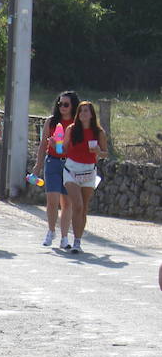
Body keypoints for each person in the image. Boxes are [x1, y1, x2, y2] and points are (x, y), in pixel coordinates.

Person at [33, 91, 79, 249]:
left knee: (67, 203)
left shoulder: (76, 124)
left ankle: (65, 237)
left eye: (66, 104)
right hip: (52, 162)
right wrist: (37, 166)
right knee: (52, 200)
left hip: (70, 164)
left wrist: (59, 146)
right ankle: (51, 230)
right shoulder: (51, 122)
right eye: (60, 104)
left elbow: (76, 147)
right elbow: (42, 146)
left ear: (73, 106)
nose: (62, 107)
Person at [61, 99, 108, 254]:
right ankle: (74, 241)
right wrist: (56, 145)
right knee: (78, 205)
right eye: (80, 111)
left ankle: (78, 240)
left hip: (89, 171)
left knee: (84, 208)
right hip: (71, 169)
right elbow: (64, 149)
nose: (83, 114)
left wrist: (98, 152)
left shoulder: (98, 132)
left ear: (92, 114)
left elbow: (105, 153)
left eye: (86, 111)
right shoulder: (72, 129)